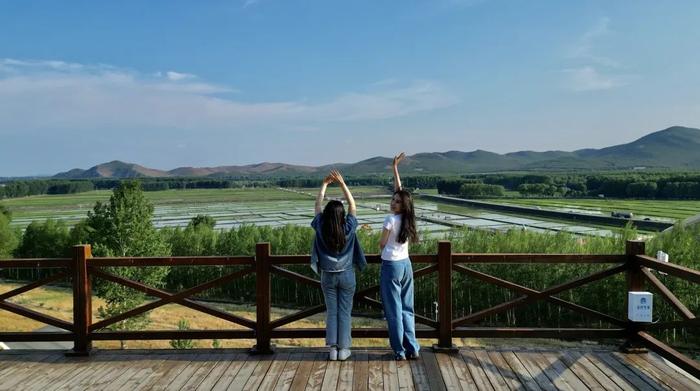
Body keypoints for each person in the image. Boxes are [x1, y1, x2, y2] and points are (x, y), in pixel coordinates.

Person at [310, 169, 367, 361]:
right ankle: (344, 349)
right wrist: (343, 184)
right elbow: (353, 205)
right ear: (342, 216)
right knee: (344, 312)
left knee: (332, 311)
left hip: (327, 275)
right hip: (347, 275)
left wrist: (324, 184)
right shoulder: (348, 228)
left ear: (326, 215)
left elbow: (317, 205)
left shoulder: (321, 227)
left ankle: (333, 349)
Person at [380, 152, 420, 360]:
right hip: (406, 266)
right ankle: (413, 347)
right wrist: (395, 168)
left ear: (401, 205)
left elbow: (382, 243)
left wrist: (381, 246)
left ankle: (399, 351)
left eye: (396, 201)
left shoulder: (390, 219)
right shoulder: (408, 218)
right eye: (392, 199)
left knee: (394, 311)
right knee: (407, 308)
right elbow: (401, 191)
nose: (393, 201)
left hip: (391, 267)